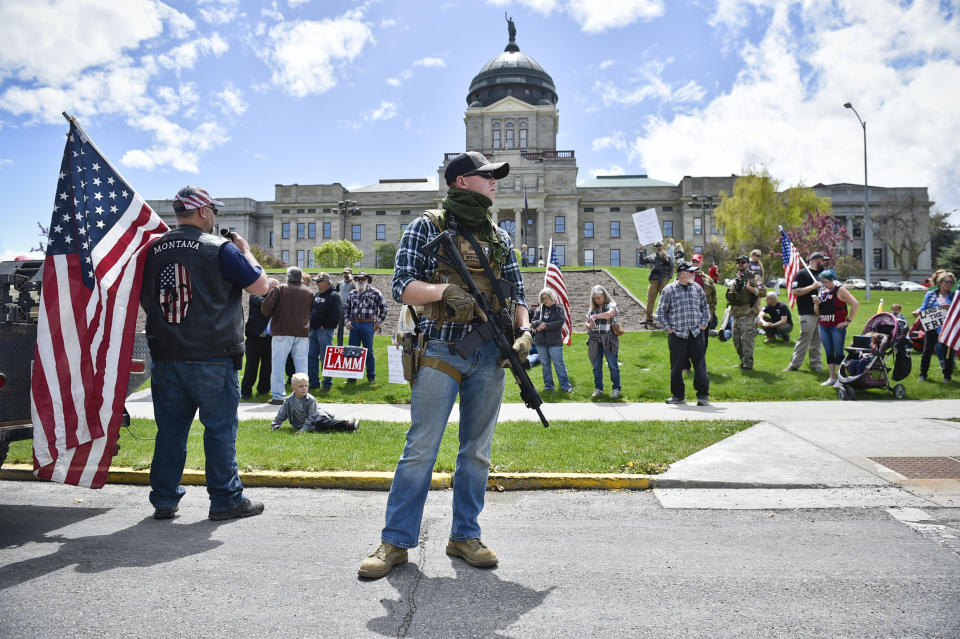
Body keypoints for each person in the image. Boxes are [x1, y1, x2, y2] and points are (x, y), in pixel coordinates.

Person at [358, 151, 530, 579]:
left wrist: (525, 331)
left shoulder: (499, 237)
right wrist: (443, 292)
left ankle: (465, 535)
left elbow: (519, 295)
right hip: (440, 348)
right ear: (460, 182)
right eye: (486, 176)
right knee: (420, 450)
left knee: (476, 452)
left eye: (495, 177)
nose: (494, 183)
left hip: (490, 353)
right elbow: (401, 286)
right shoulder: (427, 226)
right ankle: (395, 542)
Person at [141, 185, 278, 521]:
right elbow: (261, 286)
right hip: (213, 356)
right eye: (212, 210)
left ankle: (164, 499)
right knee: (219, 429)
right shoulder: (220, 248)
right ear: (203, 212)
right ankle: (226, 499)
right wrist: (245, 251)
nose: (214, 216)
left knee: (170, 430)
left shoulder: (153, 250)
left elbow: (143, 297)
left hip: (166, 355)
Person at [656, 262, 711, 406]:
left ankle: (703, 395)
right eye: (690, 272)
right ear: (682, 274)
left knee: (700, 365)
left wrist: (704, 324)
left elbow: (705, 307)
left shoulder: (697, 288)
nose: (693, 274)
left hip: (696, 333)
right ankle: (678, 395)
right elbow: (660, 312)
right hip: (677, 334)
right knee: (676, 366)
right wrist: (668, 328)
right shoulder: (669, 290)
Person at [262, 266, 313, 405]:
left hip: (282, 332)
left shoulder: (281, 289)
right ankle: (303, 395)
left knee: (278, 365)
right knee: (302, 365)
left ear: (288, 277)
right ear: (300, 277)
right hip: (302, 332)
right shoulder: (308, 292)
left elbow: (266, 307)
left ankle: (278, 396)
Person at [784, 251, 828, 373]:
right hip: (807, 313)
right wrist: (812, 287)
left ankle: (816, 365)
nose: (824, 262)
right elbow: (795, 292)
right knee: (804, 339)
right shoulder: (802, 274)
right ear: (814, 260)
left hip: (821, 313)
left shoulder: (823, 274)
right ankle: (794, 365)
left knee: (817, 341)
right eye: (822, 260)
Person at [270, 373, 358, 433]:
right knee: (325, 429)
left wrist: (302, 430)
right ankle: (349, 429)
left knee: (323, 423)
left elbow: (312, 417)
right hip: (309, 426)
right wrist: (275, 425)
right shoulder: (289, 401)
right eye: (301, 386)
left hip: (317, 418)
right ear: (293, 388)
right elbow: (281, 415)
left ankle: (349, 424)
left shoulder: (310, 399)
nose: (304, 388)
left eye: (306, 386)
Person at [815, 269, 859, 386]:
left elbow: (855, 303)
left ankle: (841, 379)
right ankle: (832, 378)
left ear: (832, 280)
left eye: (825, 282)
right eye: (822, 282)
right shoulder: (822, 292)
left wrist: (848, 321)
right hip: (823, 325)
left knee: (838, 352)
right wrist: (816, 304)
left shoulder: (840, 290)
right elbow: (817, 312)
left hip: (836, 326)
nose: (823, 284)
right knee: (829, 352)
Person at [344, 271, 388, 383]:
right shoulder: (352, 293)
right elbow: (346, 309)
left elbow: (384, 308)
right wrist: (347, 321)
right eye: (358, 279)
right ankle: (352, 377)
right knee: (352, 351)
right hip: (354, 325)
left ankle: (371, 377)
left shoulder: (375, 292)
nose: (360, 281)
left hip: (368, 324)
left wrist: (378, 322)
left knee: (368, 351)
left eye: (363, 279)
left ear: (367, 280)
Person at [913, 269, 956, 382]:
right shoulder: (931, 294)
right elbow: (924, 307)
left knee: (947, 352)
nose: (949, 284)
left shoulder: (954, 296)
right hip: (932, 325)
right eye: (947, 282)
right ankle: (923, 374)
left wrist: (950, 308)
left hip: (947, 327)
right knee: (927, 350)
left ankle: (947, 376)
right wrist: (917, 311)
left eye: (951, 282)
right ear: (940, 282)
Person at [726, 255, 764, 369]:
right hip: (736, 314)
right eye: (738, 262)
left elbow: (763, 292)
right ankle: (743, 360)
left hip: (748, 313)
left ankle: (748, 364)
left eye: (743, 262)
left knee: (746, 341)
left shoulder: (754, 276)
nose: (740, 264)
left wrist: (750, 289)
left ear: (748, 264)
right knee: (736, 341)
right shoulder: (737, 278)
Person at [533, 287, 572, 393]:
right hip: (541, 341)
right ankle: (549, 386)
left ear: (552, 297)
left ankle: (565, 386)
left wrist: (545, 326)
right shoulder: (539, 309)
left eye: (547, 297)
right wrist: (538, 324)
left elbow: (560, 322)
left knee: (559, 363)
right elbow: (533, 321)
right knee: (545, 364)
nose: (545, 300)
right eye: (543, 298)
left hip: (554, 342)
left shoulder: (559, 308)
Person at [586, 284, 621, 398]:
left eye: (599, 297)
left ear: (604, 296)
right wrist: (589, 324)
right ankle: (598, 389)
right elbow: (587, 323)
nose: (597, 300)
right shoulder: (592, 309)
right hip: (595, 339)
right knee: (596, 366)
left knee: (612, 365)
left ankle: (616, 389)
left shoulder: (612, 305)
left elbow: (609, 314)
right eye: (595, 298)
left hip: (609, 338)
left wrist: (596, 316)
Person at [307, 272, 341, 391]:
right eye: (316, 281)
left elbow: (336, 315)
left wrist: (325, 325)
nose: (317, 283)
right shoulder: (318, 294)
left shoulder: (333, 295)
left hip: (324, 331)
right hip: (313, 330)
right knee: (311, 356)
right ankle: (313, 382)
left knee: (325, 357)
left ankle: (327, 383)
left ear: (327, 282)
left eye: (319, 281)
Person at [240, 293, 271, 400]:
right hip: (254, 338)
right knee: (251, 366)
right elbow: (263, 303)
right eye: (273, 287)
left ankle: (264, 390)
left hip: (269, 338)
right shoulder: (255, 295)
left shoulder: (274, 297)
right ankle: (246, 391)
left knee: (267, 366)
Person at [644, 241, 671, 327]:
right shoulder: (653, 256)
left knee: (665, 300)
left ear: (663, 246)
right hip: (654, 280)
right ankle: (648, 318)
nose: (658, 247)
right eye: (657, 246)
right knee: (650, 299)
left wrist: (668, 278)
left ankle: (666, 319)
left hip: (663, 280)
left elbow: (671, 268)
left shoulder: (667, 256)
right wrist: (641, 251)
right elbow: (642, 261)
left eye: (659, 245)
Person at [336, 268, 355, 346]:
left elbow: (358, 289)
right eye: (344, 273)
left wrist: (352, 279)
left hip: (352, 308)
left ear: (351, 274)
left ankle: (352, 344)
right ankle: (339, 344)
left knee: (352, 327)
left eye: (348, 273)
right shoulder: (340, 283)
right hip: (342, 307)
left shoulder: (354, 283)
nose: (346, 275)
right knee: (340, 327)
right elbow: (334, 292)